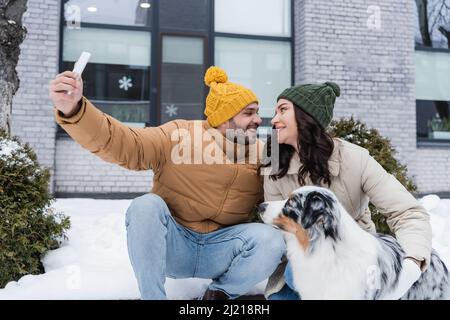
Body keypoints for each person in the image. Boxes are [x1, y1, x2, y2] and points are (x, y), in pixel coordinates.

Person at [49, 66, 285, 300]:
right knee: (146, 206)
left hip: (223, 249)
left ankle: (220, 294)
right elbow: (125, 143)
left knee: (271, 240)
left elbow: (284, 195)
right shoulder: (180, 135)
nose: (258, 119)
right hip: (175, 245)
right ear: (225, 119)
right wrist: (76, 111)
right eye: (249, 113)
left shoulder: (262, 154)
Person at [260, 82, 432, 300]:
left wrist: (412, 263)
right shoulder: (275, 164)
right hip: (297, 267)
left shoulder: (356, 159)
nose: (274, 119)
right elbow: (278, 230)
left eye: (282, 110)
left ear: (306, 117)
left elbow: (407, 212)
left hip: (355, 265)